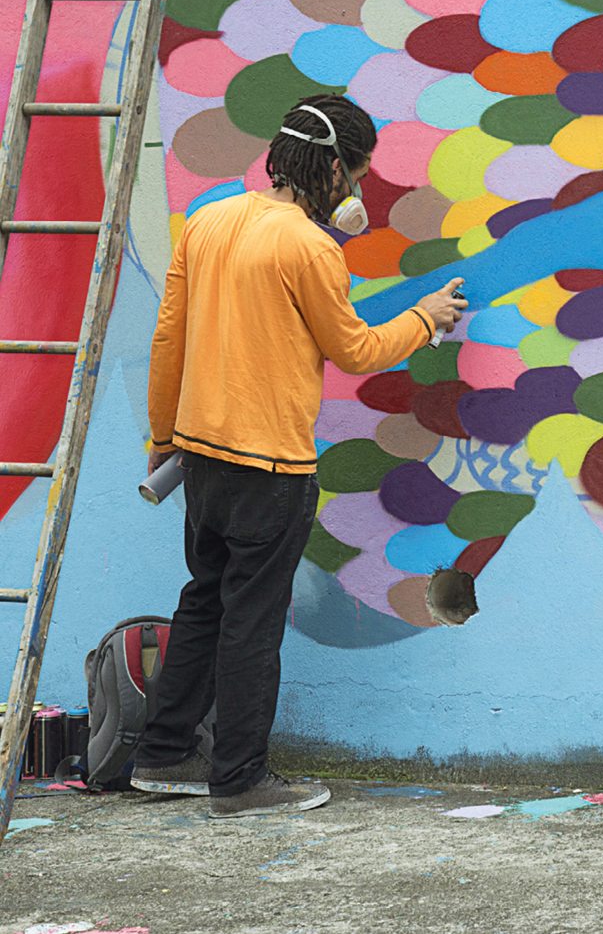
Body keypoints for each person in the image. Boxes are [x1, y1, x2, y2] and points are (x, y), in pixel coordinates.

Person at [132, 94, 467, 819]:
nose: (358, 192)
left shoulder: (209, 218)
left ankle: (162, 754)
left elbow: (169, 338)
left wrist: (165, 439)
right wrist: (424, 319)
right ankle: (239, 778)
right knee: (253, 615)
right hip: (271, 468)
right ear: (333, 169)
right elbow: (354, 348)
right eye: (358, 175)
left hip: (199, 455)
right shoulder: (311, 247)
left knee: (205, 599)